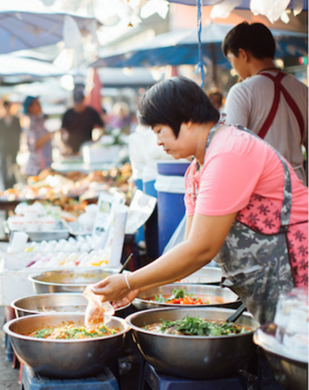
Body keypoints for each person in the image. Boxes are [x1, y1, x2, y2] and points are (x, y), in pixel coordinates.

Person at [92, 77, 308, 327]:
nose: (158, 142)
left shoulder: (229, 152)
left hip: (296, 274)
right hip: (271, 284)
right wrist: (138, 286)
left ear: (187, 119)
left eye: (159, 130)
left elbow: (201, 249)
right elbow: (188, 250)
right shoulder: (197, 169)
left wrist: (130, 282)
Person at [222, 22, 308, 185]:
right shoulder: (303, 90)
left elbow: (233, 151)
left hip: (264, 190)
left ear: (242, 54)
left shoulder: (241, 91)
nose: (233, 68)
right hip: (299, 189)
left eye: (231, 60)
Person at [59, 88, 104, 155]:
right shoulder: (68, 113)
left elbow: (102, 128)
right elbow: (62, 131)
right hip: (71, 148)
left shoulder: (91, 112)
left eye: (80, 103)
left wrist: (96, 141)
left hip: (88, 146)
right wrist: (64, 145)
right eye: (76, 103)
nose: (78, 105)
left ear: (84, 101)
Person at [22, 96, 53, 178]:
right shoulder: (30, 122)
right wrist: (48, 136)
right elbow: (33, 144)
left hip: (42, 167)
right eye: (37, 104)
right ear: (30, 107)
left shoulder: (37, 120)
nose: (40, 106)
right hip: (36, 168)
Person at [0, 100, 22, 189]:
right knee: (4, 166)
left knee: (14, 164)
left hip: (13, 146)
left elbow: (19, 134)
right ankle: (6, 184)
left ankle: (14, 182)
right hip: (4, 146)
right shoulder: (0, 121)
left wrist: (19, 146)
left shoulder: (16, 120)